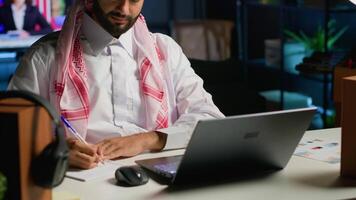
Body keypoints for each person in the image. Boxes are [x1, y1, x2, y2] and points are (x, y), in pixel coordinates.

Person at [8, 0, 224, 169]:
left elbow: (210, 119)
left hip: (159, 180)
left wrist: (149, 139)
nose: (124, 8)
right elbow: (10, 132)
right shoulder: (44, 57)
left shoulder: (165, 50)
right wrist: (56, 149)